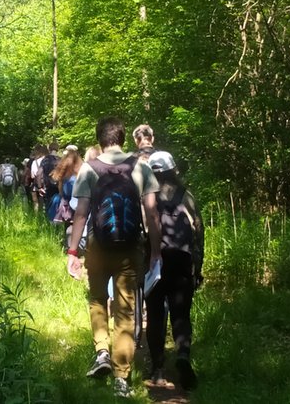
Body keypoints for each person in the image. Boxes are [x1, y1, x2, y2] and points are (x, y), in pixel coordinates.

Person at [66, 117, 162, 399]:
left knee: (97, 298)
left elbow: (80, 213)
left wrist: (73, 251)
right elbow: (153, 214)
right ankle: (122, 378)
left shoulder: (89, 168)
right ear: (123, 138)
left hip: (98, 246)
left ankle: (102, 351)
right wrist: (155, 251)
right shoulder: (140, 166)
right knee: (126, 310)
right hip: (130, 248)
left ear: (100, 140)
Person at [145, 151, 204, 391]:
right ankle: (183, 355)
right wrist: (197, 267)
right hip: (182, 260)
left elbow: (143, 231)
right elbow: (198, 233)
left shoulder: (148, 197)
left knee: (156, 315)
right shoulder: (186, 196)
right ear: (173, 170)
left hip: (155, 261)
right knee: (181, 314)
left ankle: (158, 369)